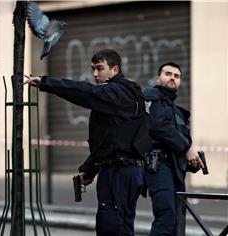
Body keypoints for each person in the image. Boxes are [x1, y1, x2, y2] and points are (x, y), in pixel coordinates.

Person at [25, 49, 152, 236]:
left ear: (115, 70)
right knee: (118, 225)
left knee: (113, 227)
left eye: (100, 69)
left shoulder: (116, 93)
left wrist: (46, 83)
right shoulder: (126, 94)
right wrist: (91, 168)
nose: (95, 74)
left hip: (120, 171)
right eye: (93, 69)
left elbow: (83, 91)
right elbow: (111, 139)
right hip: (122, 170)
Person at [143, 62, 204, 236]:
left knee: (177, 222)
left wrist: (193, 161)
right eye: (168, 74)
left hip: (177, 170)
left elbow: (181, 143)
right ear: (158, 78)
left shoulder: (178, 113)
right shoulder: (151, 96)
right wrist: (186, 148)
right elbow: (158, 126)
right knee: (166, 218)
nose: (172, 78)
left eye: (176, 76)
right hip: (158, 166)